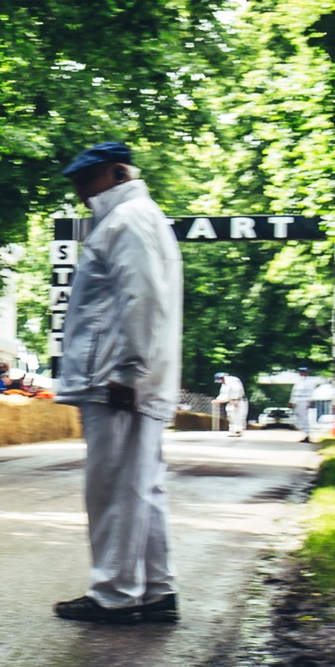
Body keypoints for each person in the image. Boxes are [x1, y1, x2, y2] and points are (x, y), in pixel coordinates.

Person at [51, 142, 183, 624]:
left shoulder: (125, 223)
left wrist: (128, 372)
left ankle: (114, 594)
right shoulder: (141, 218)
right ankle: (154, 589)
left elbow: (141, 300)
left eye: (87, 181)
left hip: (115, 378)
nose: (81, 193)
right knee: (141, 485)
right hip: (129, 375)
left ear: (117, 173)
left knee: (114, 487)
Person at [290, 365, 324, 442]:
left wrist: (310, 401)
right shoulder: (298, 382)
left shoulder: (309, 382)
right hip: (297, 401)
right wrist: (292, 401)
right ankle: (304, 432)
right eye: (301, 372)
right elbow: (294, 392)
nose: (302, 373)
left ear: (307, 373)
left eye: (303, 372)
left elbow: (312, 393)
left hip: (304, 401)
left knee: (304, 418)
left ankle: (307, 434)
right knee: (298, 418)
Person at [213, 371, 247, 437]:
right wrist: (218, 400)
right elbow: (223, 393)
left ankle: (239, 430)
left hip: (240, 400)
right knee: (230, 414)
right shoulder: (224, 384)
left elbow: (237, 389)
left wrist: (235, 399)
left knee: (239, 415)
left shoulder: (234, 380)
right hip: (231, 401)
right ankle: (233, 430)